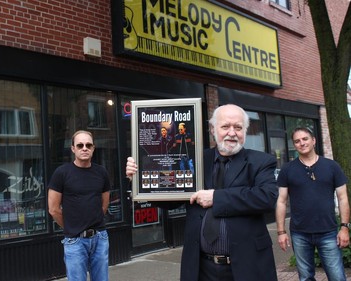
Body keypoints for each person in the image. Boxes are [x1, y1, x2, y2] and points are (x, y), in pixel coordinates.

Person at [126, 104, 278, 281]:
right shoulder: (195, 160)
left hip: (247, 266)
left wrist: (216, 197)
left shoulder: (261, 161)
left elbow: (266, 198)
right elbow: (173, 199)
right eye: (225, 126)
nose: (232, 132)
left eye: (238, 127)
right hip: (201, 268)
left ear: (244, 130)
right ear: (213, 129)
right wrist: (139, 181)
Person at [275, 127, 349, 281]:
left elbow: (343, 198)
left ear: (313, 140)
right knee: (306, 278)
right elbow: (281, 201)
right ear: (294, 145)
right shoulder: (287, 170)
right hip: (299, 233)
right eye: (297, 141)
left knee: (337, 277)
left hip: (328, 232)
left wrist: (344, 227)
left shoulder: (332, 166)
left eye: (305, 139)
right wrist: (281, 232)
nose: (301, 143)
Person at [48, 130, 110, 281]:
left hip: (100, 238)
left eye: (88, 145)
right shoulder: (61, 173)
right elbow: (53, 209)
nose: (84, 148)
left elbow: (104, 205)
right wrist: (71, 227)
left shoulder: (101, 172)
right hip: (75, 241)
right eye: (80, 145)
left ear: (93, 148)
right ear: (73, 148)